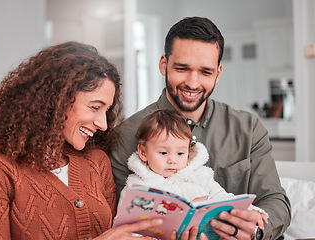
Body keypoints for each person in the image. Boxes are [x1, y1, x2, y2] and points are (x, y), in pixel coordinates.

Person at [0, 41, 179, 240]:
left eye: (107, 110)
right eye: (95, 107)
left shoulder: (96, 162)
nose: (103, 123)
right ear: (57, 99)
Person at [109, 17, 291, 240]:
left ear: (218, 72)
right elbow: (116, 219)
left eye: (205, 72)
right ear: (163, 65)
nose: (193, 83)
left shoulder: (248, 129)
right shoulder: (124, 135)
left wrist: (256, 231)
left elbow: (275, 200)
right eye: (182, 68)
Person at [117, 109, 268, 234]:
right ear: (143, 153)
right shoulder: (136, 187)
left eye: (180, 153)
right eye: (163, 153)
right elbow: (124, 228)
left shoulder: (198, 175)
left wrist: (251, 210)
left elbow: (223, 198)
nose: (172, 160)